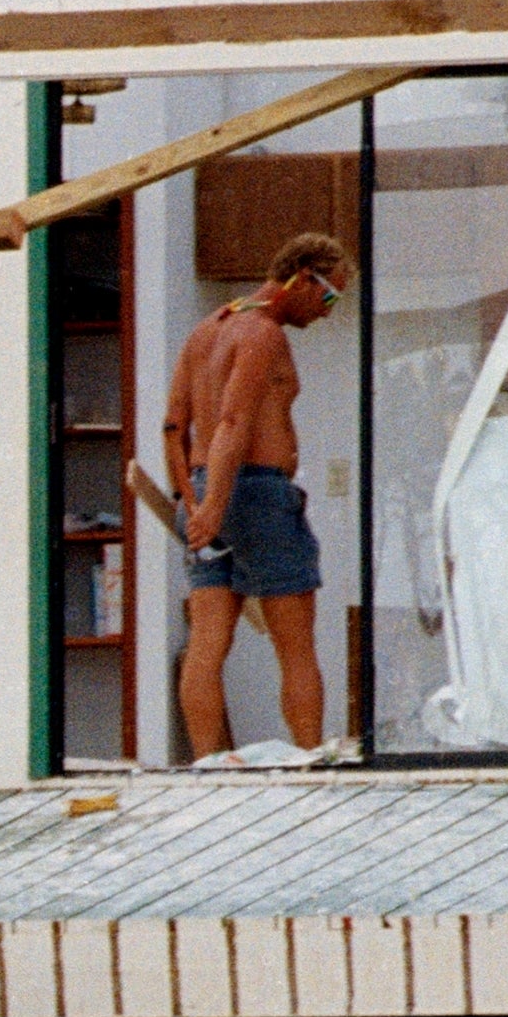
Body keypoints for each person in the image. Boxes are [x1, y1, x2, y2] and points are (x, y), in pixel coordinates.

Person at [171, 231, 356, 759]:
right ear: (302, 279)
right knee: (295, 646)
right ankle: (307, 761)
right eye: (329, 296)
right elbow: (233, 419)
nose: (328, 311)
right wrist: (211, 506)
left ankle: (209, 765)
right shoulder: (262, 333)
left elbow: (173, 427)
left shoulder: (208, 330)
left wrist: (195, 502)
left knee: (207, 645)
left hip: (207, 487)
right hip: (255, 491)